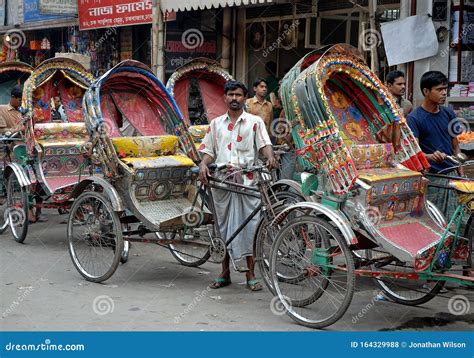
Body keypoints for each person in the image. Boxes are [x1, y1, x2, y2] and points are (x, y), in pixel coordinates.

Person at [198, 80, 277, 292]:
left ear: (244, 98)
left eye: (238, 95)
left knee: (250, 228)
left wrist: (270, 157)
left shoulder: (255, 122)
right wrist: (203, 166)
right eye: (231, 95)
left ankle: (251, 274)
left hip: (248, 182)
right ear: (225, 98)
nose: (234, 98)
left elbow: (265, 145)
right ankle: (224, 273)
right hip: (222, 183)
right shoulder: (216, 124)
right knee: (223, 228)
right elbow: (208, 151)